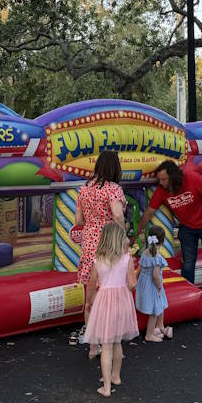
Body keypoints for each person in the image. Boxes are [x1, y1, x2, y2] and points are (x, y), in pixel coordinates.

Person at [134, 160, 202, 312]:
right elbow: (148, 213)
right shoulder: (162, 191)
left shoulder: (192, 178)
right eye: (159, 179)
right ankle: (189, 297)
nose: (161, 182)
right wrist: (134, 235)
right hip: (188, 229)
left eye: (164, 179)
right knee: (188, 263)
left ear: (173, 176)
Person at [72, 151, 126, 353]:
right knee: (108, 290)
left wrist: (93, 222)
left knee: (91, 293)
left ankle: (92, 339)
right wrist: (122, 234)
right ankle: (107, 338)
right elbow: (118, 216)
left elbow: (78, 221)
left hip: (89, 242)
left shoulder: (84, 188)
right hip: (108, 243)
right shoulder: (113, 189)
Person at [82, 222, 139, 397]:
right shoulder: (126, 258)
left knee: (106, 345)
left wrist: (89, 302)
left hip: (104, 302)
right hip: (122, 301)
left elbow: (91, 286)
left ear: (104, 239)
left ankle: (106, 388)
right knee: (116, 341)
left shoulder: (97, 260)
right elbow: (132, 284)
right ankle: (115, 376)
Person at [135, 224, 172, 342]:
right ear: (162, 241)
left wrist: (136, 282)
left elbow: (139, 269)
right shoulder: (157, 256)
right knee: (155, 309)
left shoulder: (145, 252)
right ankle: (149, 334)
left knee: (159, 304)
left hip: (143, 283)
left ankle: (160, 327)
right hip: (153, 285)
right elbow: (155, 275)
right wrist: (159, 286)